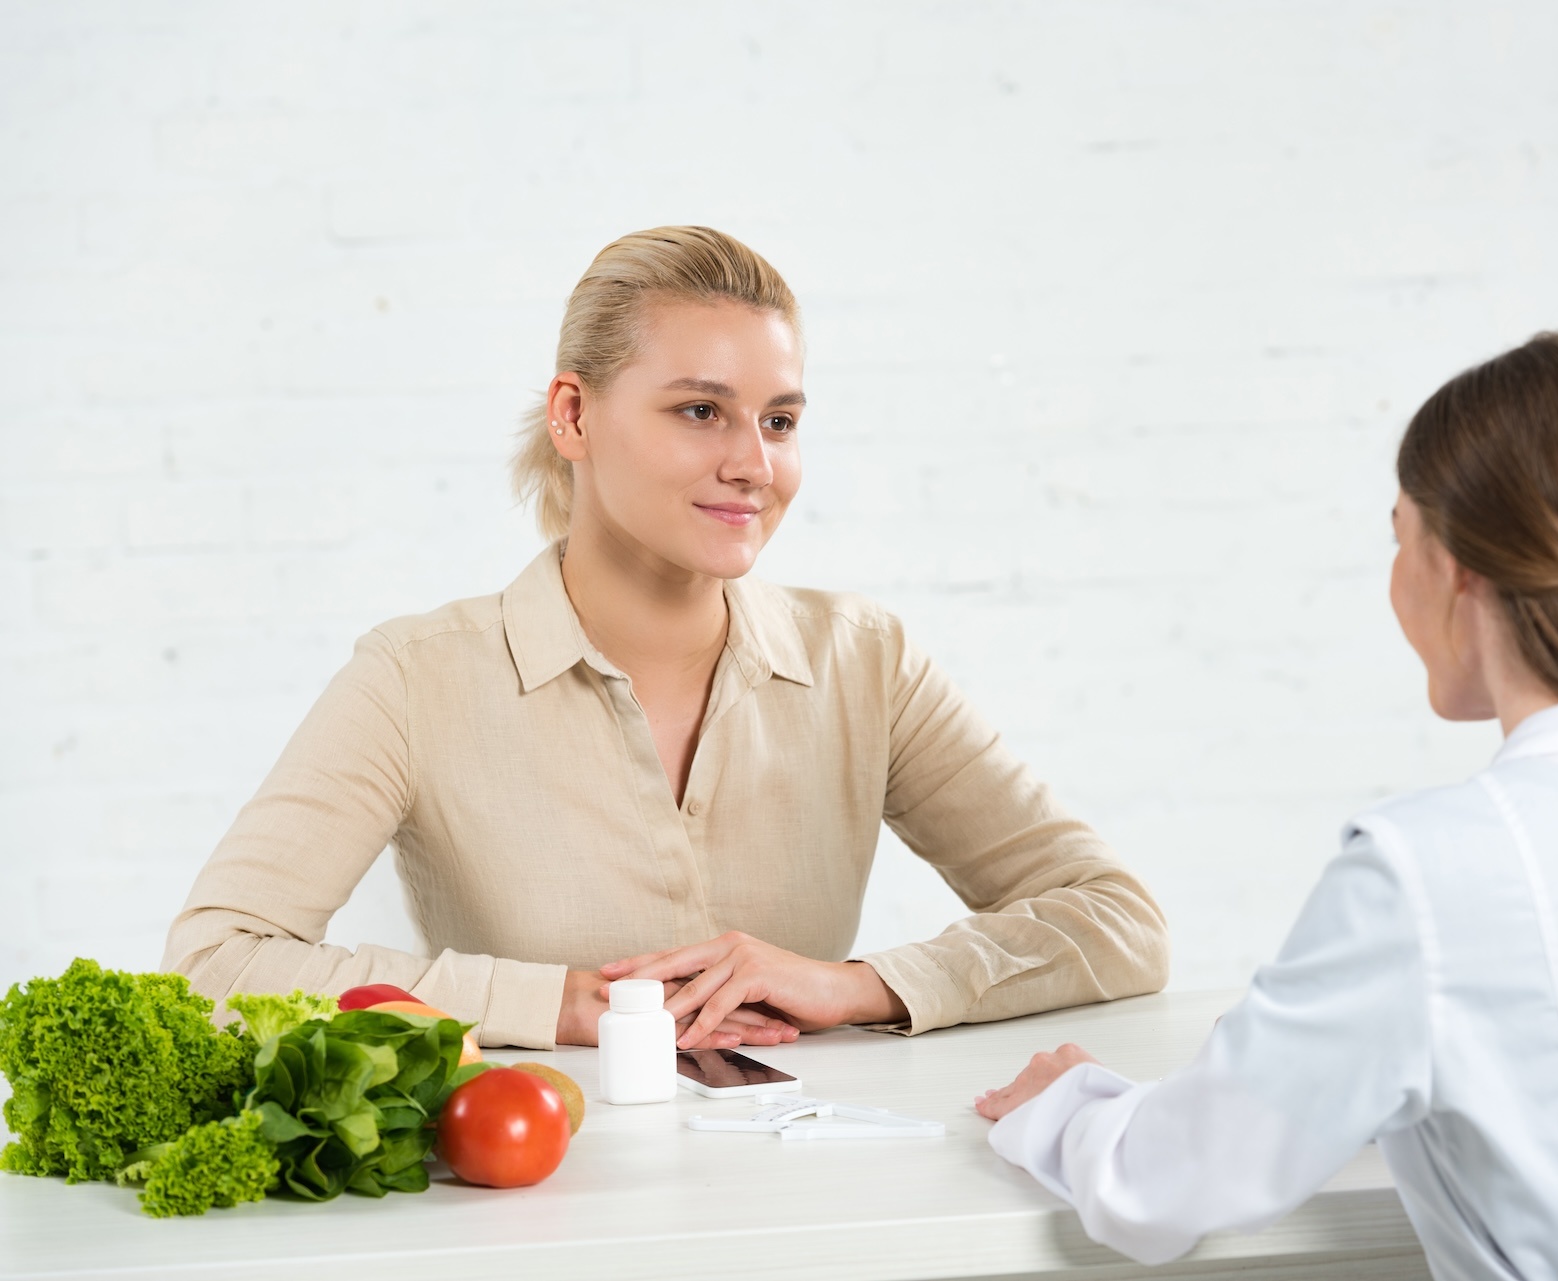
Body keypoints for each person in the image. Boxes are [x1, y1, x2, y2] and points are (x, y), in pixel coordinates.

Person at [976, 332, 1558, 1280]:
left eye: (1398, 535)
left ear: (1455, 569)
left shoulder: (1430, 873)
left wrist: (1064, 1105)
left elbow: (1161, 1187)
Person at [164, 226, 1169, 1052]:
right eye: (701, 411)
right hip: (539, 1192)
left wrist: (854, 985)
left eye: (780, 422)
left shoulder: (866, 662)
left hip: (815, 1189)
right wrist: (554, 1003)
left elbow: (1117, 919)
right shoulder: (414, 680)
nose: (753, 464)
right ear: (573, 416)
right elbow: (214, 961)